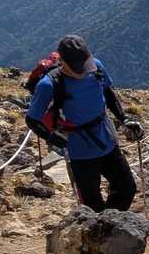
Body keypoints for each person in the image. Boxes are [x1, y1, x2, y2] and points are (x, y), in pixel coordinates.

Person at [25, 35, 139, 212]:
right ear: (62, 61)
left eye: (84, 66)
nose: (82, 71)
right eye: (77, 68)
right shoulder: (48, 85)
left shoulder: (96, 67)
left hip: (106, 139)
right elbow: (32, 119)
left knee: (127, 188)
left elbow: (108, 93)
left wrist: (124, 119)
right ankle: (101, 225)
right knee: (91, 204)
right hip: (78, 149)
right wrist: (52, 137)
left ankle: (110, 222)